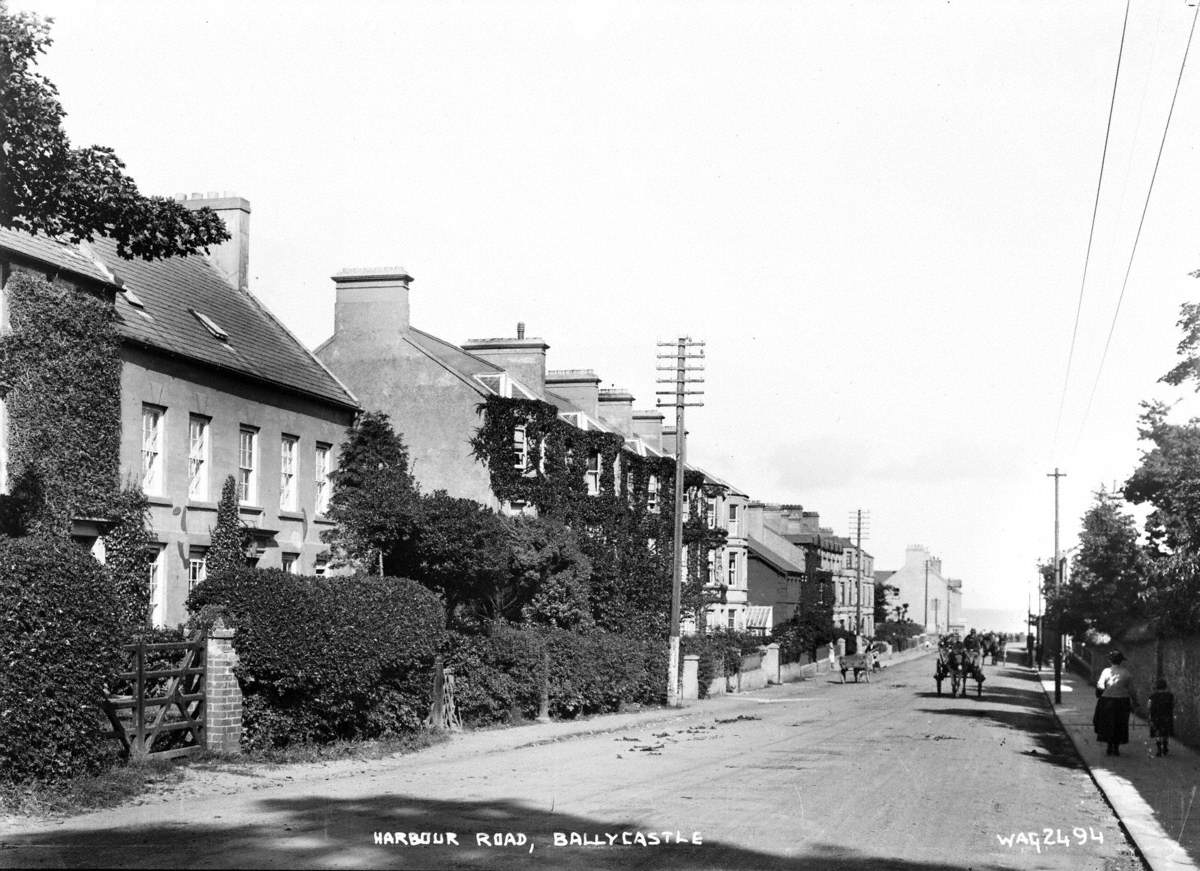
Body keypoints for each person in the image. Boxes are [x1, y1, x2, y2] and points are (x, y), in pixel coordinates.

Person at [1094, 651, 1138, 757]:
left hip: (1107, 700)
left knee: (1107, 723)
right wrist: (1135, 701)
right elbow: (1132, 690)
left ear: (1110, 660)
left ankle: (1109, 746)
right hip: (1122, 701)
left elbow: (1100, 685)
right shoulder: (1126, 673)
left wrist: (1105, 691)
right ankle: (1116, 748)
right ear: (1121, 661)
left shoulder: (1106, 671)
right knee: (1120, 723)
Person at [1149, 678, 1175, 757]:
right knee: (1165, 732)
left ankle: (1159, 750)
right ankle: (1165, 747)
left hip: (1156, 716)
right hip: (1167, 716)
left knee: (1158, 732)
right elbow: (1173, 705)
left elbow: (1149, 706)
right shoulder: (1170, 695)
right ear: (1165, 686)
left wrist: (1150, 715)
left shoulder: (1153, 696)